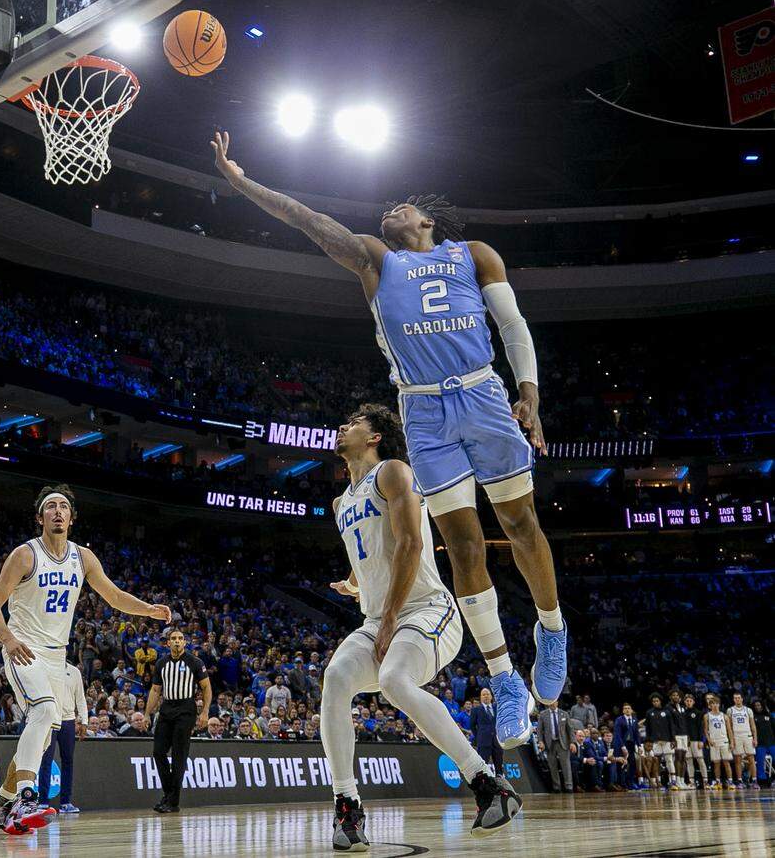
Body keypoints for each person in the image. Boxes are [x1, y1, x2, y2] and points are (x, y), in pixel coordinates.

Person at [212, 131, 567, 753]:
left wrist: (530, 393)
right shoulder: (378, 259)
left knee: (520, 522)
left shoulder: (475, 254)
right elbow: (310, 221)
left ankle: (552, 628)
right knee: (460, 542)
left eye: (402, 206)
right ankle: (505, 678)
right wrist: (242, 182)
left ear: (428, 219)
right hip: (424, 409)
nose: (389, 212)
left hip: (484, 394)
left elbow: (512, 325)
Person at [322, 404, 520, 850]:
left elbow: (410, 541)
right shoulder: (340, 502)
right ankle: (347, 806)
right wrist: (355, 586)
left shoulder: (392, 472)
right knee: (335, 680)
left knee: (393, 679)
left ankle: (488, 784)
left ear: (373, 437)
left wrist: (390, 616)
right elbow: (370, 553)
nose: (342, 426)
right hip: (379, 617)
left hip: (428, 610)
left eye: (352, 422)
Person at [0, 484, 170, 836]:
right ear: (40, 518)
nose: (57, 511)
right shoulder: (25, 554)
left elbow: (112, 596)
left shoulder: (83, 557)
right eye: (50, 506)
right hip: (24, 649)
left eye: (63, 506)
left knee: (41, 733)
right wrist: (8, 639)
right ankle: (24, 798)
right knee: (45, 712)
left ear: (71, 518)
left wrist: (149, 610)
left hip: (57, 657)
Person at [144, 630, 210, 814]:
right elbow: (156, 690)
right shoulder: (162, 663)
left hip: (186, 709)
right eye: (173, 639)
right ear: (167, 643)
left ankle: (173, 802)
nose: (177, 642)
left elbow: (206, 688)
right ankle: (169, 794)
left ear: (185, 642)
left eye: (180, 639)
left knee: (179, 756)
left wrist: (204, 711)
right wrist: (147, 714)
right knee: (158, 752)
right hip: (166, 709)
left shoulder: (195, 662)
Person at [36, 662, 87, 814]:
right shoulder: (45, 667)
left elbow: (81, 697)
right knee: (46, 760)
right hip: (50, 720)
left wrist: (84, 720)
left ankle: (66, 802)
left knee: (68, 761)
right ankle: (43, 802)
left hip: (69, 720)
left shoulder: (74, 671)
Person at [537, 700, 572, 793]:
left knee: (566, 765)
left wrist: (573, 742)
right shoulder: (543, 714)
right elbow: (539, 730)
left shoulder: (564, 714)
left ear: (557, 703)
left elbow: (570, 730)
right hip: (549, 743)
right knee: (553, 766)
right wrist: (540, 741)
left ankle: (569, 786)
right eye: (551, 702)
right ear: (548, 703)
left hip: (563, 743)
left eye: (554, 702)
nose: (552, 703)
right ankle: (557, 787)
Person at [645, 693, 676, 790]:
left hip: (666, 739)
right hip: (655, 740)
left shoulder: (667, 711)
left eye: (657, 701)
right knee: (656, 761)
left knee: (669, 760)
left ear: (660, 701)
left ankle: (673, 781)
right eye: (653, 701)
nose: (655, 703)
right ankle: (657, 781)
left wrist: (673, 739)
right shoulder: (649, 713)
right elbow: (648, 728)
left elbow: (671, 726)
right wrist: (648, 740)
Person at [727, 692, 758, 789]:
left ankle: (754, 780)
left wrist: (755, 738)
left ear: (742, 699)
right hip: (736, 736)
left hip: (747, 735)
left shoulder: (748, 710)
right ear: (733, 700)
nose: (737, 699)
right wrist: (731, 740)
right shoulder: (730, 710)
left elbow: (753, 725)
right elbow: (729, 727)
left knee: (751, 758)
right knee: (738, 759)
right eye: (735, 698)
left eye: (739, 698)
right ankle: (740, 781)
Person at [469, 688, 503, 774]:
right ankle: (484, 782)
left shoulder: (497, 708)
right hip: (483, 742)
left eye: (487, 694)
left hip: (497, 741)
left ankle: (501, 780)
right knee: (483, 765)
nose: (486, 696)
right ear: (481, 698)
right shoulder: (475, 710)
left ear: (491, 696)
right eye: (483, 695)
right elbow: (472, 726)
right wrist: (479, 736)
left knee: (499, 765)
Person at [704, 695, 731, 790]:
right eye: (712, 704)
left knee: (726, 762)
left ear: (719, 704)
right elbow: (705, 730)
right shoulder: (707, 716)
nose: (715, 705)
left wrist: (731, 742)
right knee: (716, 763)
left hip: (724, 741)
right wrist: (709, 740)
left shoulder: (724, 716)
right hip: (714, 742)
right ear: (709, 705)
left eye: (716, 703)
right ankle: (718, 782)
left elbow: (729, 730)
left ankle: (730, 781)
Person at [682, 694, 708, 790]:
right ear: (684, 702)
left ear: (693, 702)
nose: (688, 702)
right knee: (689, 761)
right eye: (687, 700)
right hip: (686, 740)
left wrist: (701, 740)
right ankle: (692, 782)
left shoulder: (698, 712)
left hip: (696, 740)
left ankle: (705, 781)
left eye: (690, 701)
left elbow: (701, 728)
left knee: (700, 760)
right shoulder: (682, 712)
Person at [752, 700, 775, 789]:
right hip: (760, 744)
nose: (757, 707)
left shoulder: (769, 716)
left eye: (759, 705)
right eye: (756, 705)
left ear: (762, 706)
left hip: (771, 742)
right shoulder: (753, 717)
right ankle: (762, 781)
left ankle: (773, 779)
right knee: (760, 763)